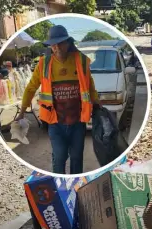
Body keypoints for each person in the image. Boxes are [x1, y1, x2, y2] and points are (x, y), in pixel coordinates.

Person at [15, 25, 101, 174]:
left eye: (61, 43)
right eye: (53, 44)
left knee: (76, 157)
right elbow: (30, 88)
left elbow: (90, 85)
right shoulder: (43, 64)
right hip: (55, 122)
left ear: (68, 43)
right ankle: (58, 182)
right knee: (59, 156)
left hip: (78, 122)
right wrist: (22, 112)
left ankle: (76, 184)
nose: (57, 47)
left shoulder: (80, 61)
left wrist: (98, 104)